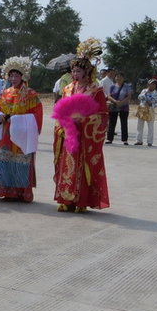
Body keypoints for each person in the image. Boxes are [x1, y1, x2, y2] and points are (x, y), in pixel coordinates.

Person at [53, 39, 109, 213]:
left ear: (87, 72)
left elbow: (102, 115)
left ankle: (81, 201)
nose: (75, 74)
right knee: (66, 166)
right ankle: (65, 199)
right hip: (69, 133)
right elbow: (60, 110)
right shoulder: (68, 88)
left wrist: (84, 121)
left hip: (84, 135)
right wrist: (63, 125)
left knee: (80, 166)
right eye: (73, 70)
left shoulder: (95, 90)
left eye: (78, 71)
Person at [0, 57, 42, 202]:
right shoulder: (5, 93)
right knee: (6, 158)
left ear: (22, 76)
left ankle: (21, 193)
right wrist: (0, 116)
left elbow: (36, 114)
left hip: (22, 134)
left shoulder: (31, 94)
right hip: (7, 133)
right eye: (11, 75)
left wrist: (17, 119)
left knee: (21, 160)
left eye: (16, 75)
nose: (13, 78)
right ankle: (7, 191)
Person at [106, 72, 130, 145]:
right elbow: (109, 96)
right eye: (117, 77)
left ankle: (124, 140)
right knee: (112, 123)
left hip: (124, 107)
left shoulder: (127, 87)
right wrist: (115, 101)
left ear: (123, 78)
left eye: (120, 77)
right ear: (115, 78)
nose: (118, 78)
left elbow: (129, 96)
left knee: (124, 123)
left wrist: (122, 102)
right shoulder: (112, 86)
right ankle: (110, 139)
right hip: (113, 107)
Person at [135, 78, 157, 146]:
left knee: (150, 127)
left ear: (155, 86)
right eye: (151, 84)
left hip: (150, 110)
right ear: (148, 84)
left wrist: (151, 104)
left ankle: (149, 142)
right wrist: (144, 96)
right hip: (142, 109)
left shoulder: (156, 94)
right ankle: (139, 140)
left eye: (154, 84)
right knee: (139, 126)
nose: (152, 86)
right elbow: (139, 97)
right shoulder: (144, 90)